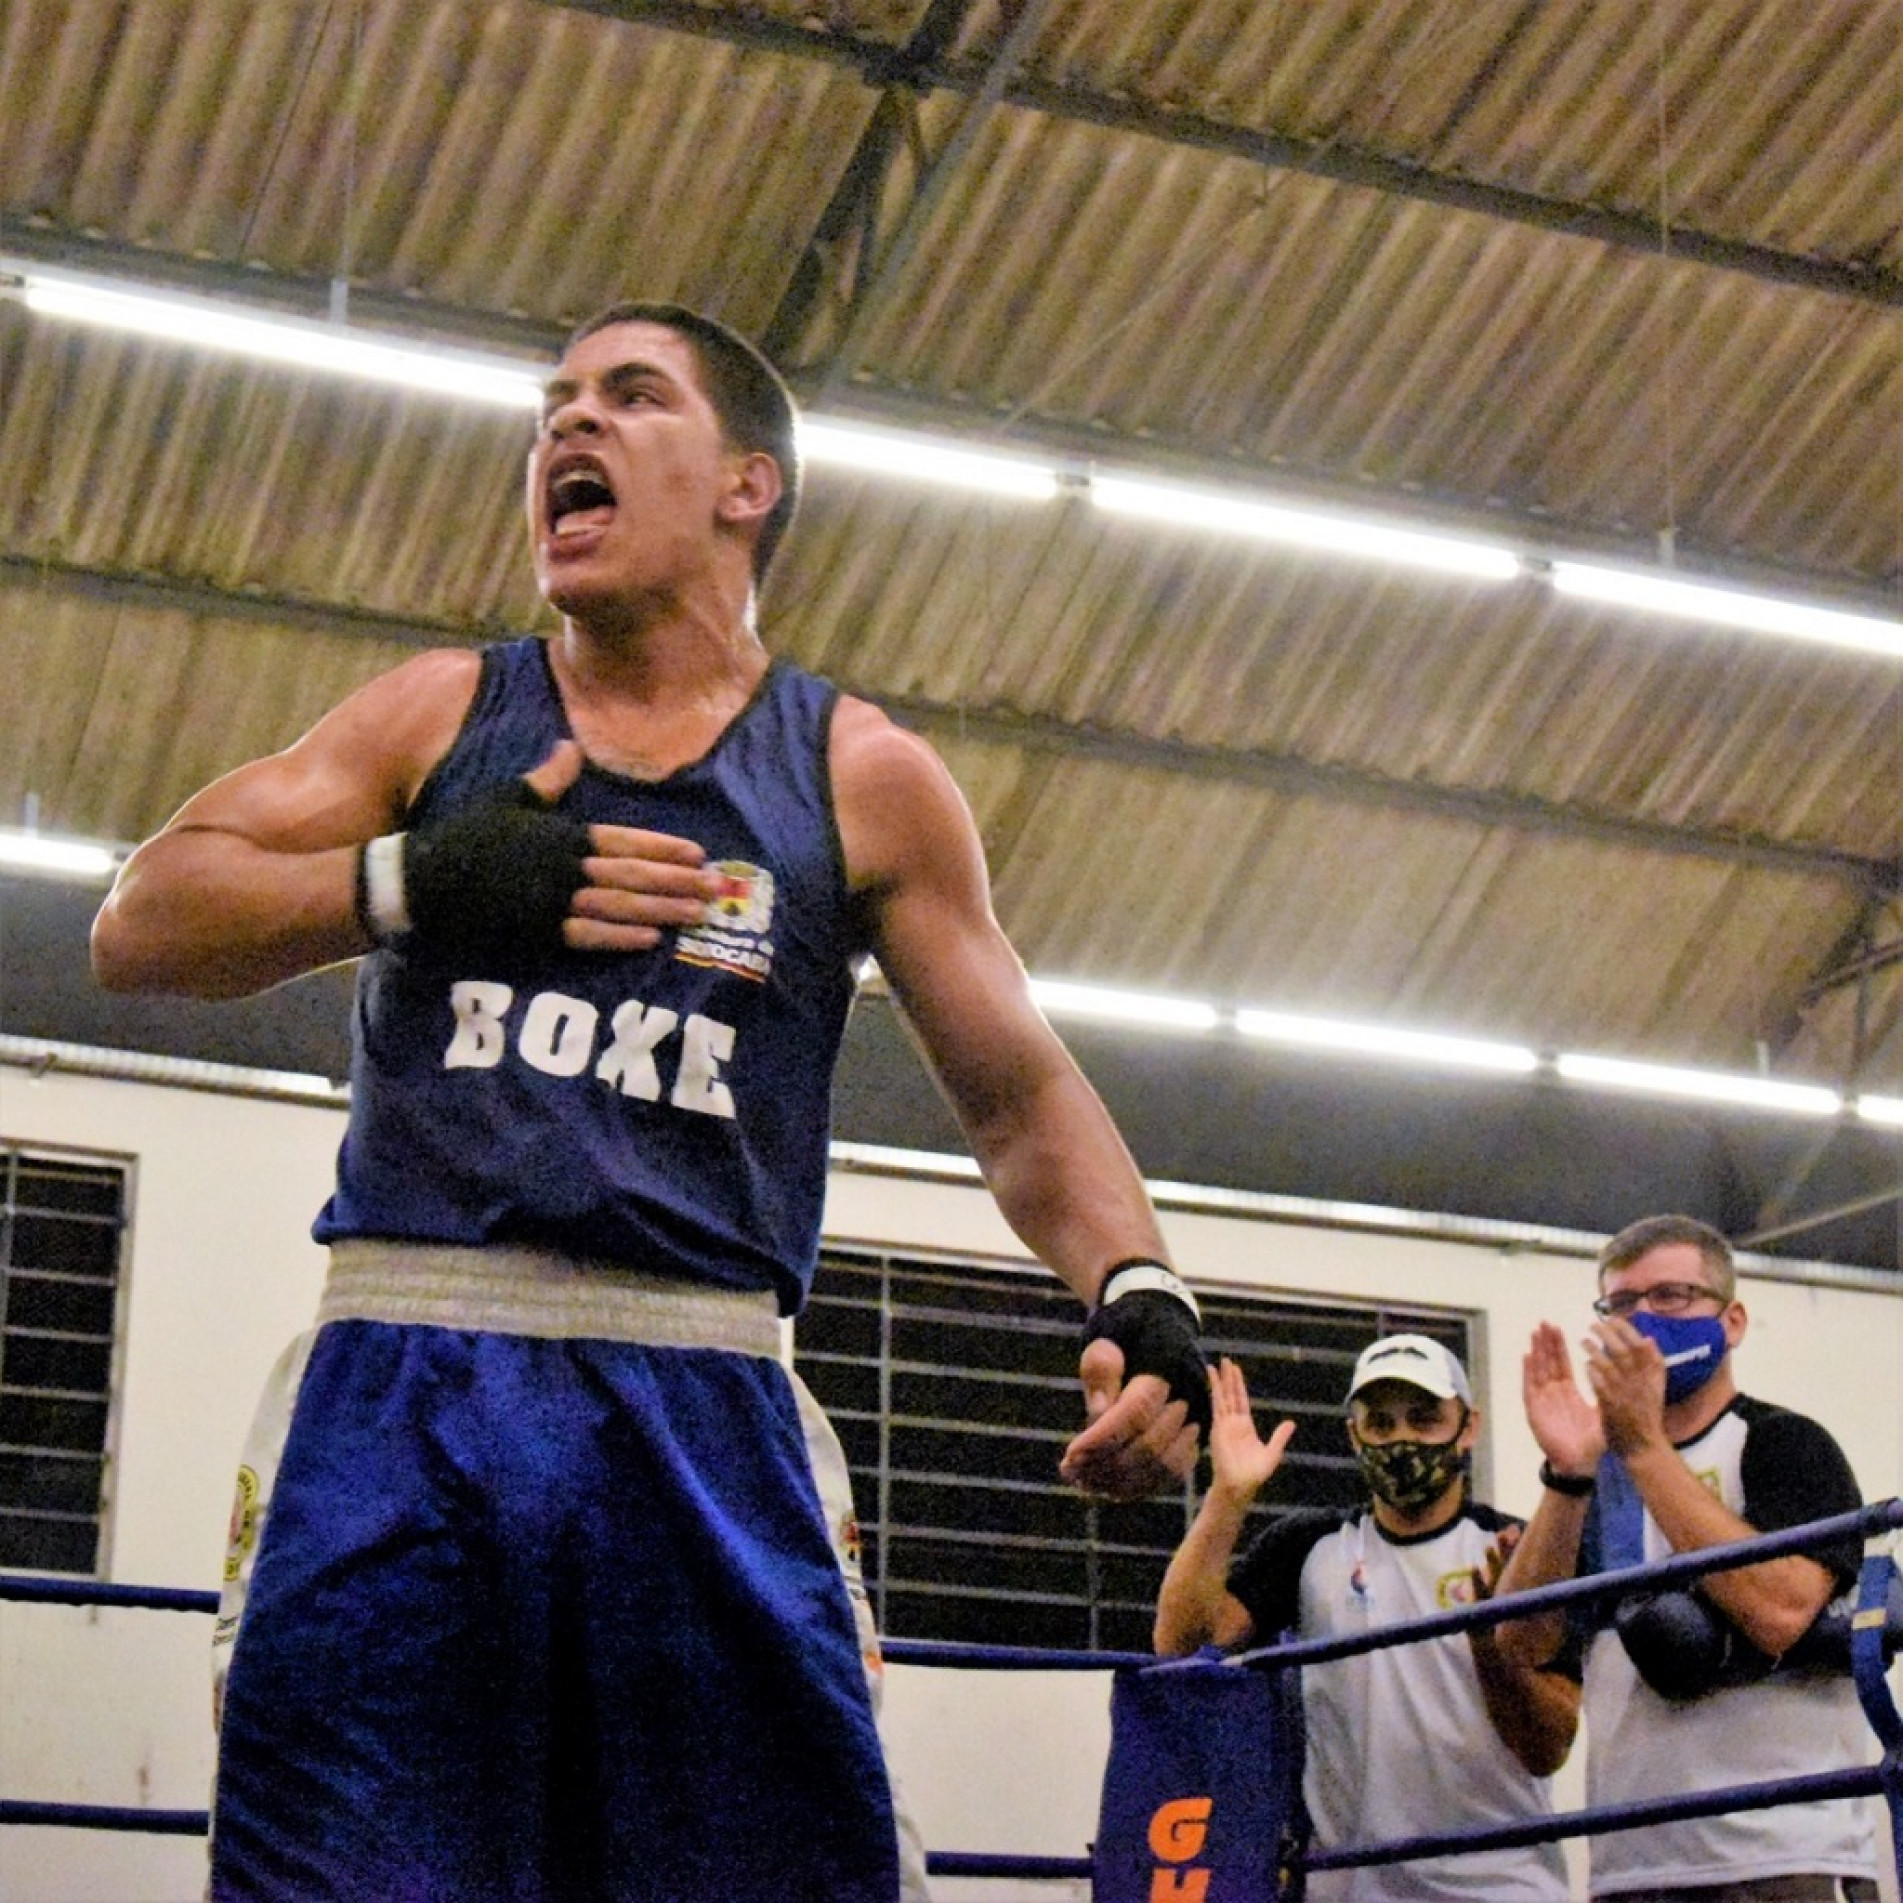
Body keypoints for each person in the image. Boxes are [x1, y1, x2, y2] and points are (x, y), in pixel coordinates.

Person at [90, 301, 1213, 1902]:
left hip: (701, 1396)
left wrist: (1142, 1285)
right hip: (409, 1380)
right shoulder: (437, 715)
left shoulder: (857, 771)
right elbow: (143, 919)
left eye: (629, 397)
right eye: (553, 405)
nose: (568, 428)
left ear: (748, 484)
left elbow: (1019, 1090)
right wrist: (415, 878)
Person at [1491, 1213, 1879, 1903]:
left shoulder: (1782, 1443)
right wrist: (1569, 1473)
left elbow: (1781, 1609)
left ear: (1730, 1321)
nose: (1642, 1320)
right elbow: (1521, 1640)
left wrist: (1642, 1448)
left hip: (1780, 1856)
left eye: (1670, 1296)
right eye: (1620, 1304)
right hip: (1634, 1864)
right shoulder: (1600, 1481)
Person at [1154, 1334, 1579, 1901]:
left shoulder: (1520, 1550)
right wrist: (1229, 1494)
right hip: (1349, 1890)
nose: (1402, 1439)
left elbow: (1548, 1748)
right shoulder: (1310, 1546)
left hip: (1502, 1887)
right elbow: (1179, 1646)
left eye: (1424, 1419)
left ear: (1468, 1427)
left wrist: (1490, 1642)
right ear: (1355, 1434)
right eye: (1381, 1422)